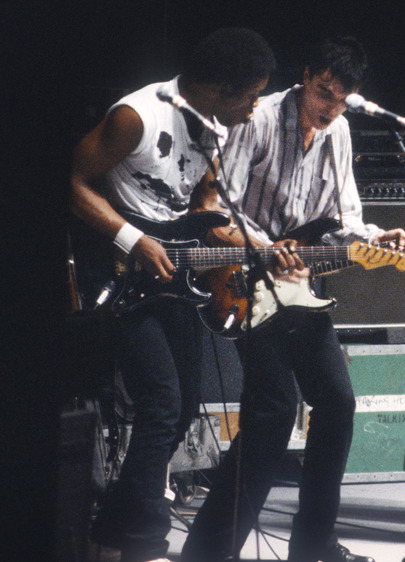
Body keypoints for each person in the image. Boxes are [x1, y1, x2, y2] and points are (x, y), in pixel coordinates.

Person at [181, 37, 405, 562]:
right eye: (323, 92)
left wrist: (375, 240)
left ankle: (314, 547)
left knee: (337, 402)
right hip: (239, 277)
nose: (329, 107)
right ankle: (208, 552)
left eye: (340, 99)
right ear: (306, 76)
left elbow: (344, 220)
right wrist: (265, 249)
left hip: (296, 285)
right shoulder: (260, 118)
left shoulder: (340, 133)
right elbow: (214, 211)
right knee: (273, 410)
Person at [69, 28, 276, 562]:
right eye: (250, 97)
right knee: (161, 403)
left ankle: (108, 536)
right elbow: (70, 181)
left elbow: (201, 202)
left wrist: (252, 244)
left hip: (174, 275)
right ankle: (145, 544)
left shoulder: (215, 126)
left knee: (182, 407)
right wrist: (133, 240)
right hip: (118, 271)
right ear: (220, 90)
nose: (254, 109)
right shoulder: (136, 116)